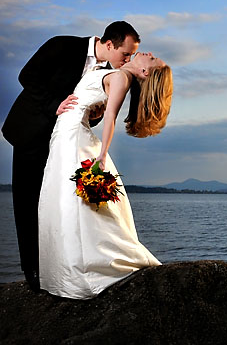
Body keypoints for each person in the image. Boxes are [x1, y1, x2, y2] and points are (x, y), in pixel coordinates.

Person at [2, 21, 140, 291]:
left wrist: (95, 115)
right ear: (109, 44)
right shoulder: (62, 45)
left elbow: (88, 108)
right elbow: (27, 76)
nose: (128, 60)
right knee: (28, 201)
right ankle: (32, 271)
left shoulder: (111, 73)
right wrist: (55, 104)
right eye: (126, 54)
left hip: (67, 142)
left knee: (63, 204)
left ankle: (65, 264)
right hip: (33, 134)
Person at [37, 52, 173, 299]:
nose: (150, 54)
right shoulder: (117, 73)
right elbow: (100, 109)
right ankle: (68, 270)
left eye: (153, 61)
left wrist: (102, 154)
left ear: (144, 73)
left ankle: (87, 270)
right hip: (67, 134)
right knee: (62, 201)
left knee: (73, 204)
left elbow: (111, 116)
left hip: (75, 139)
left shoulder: (121, 77)